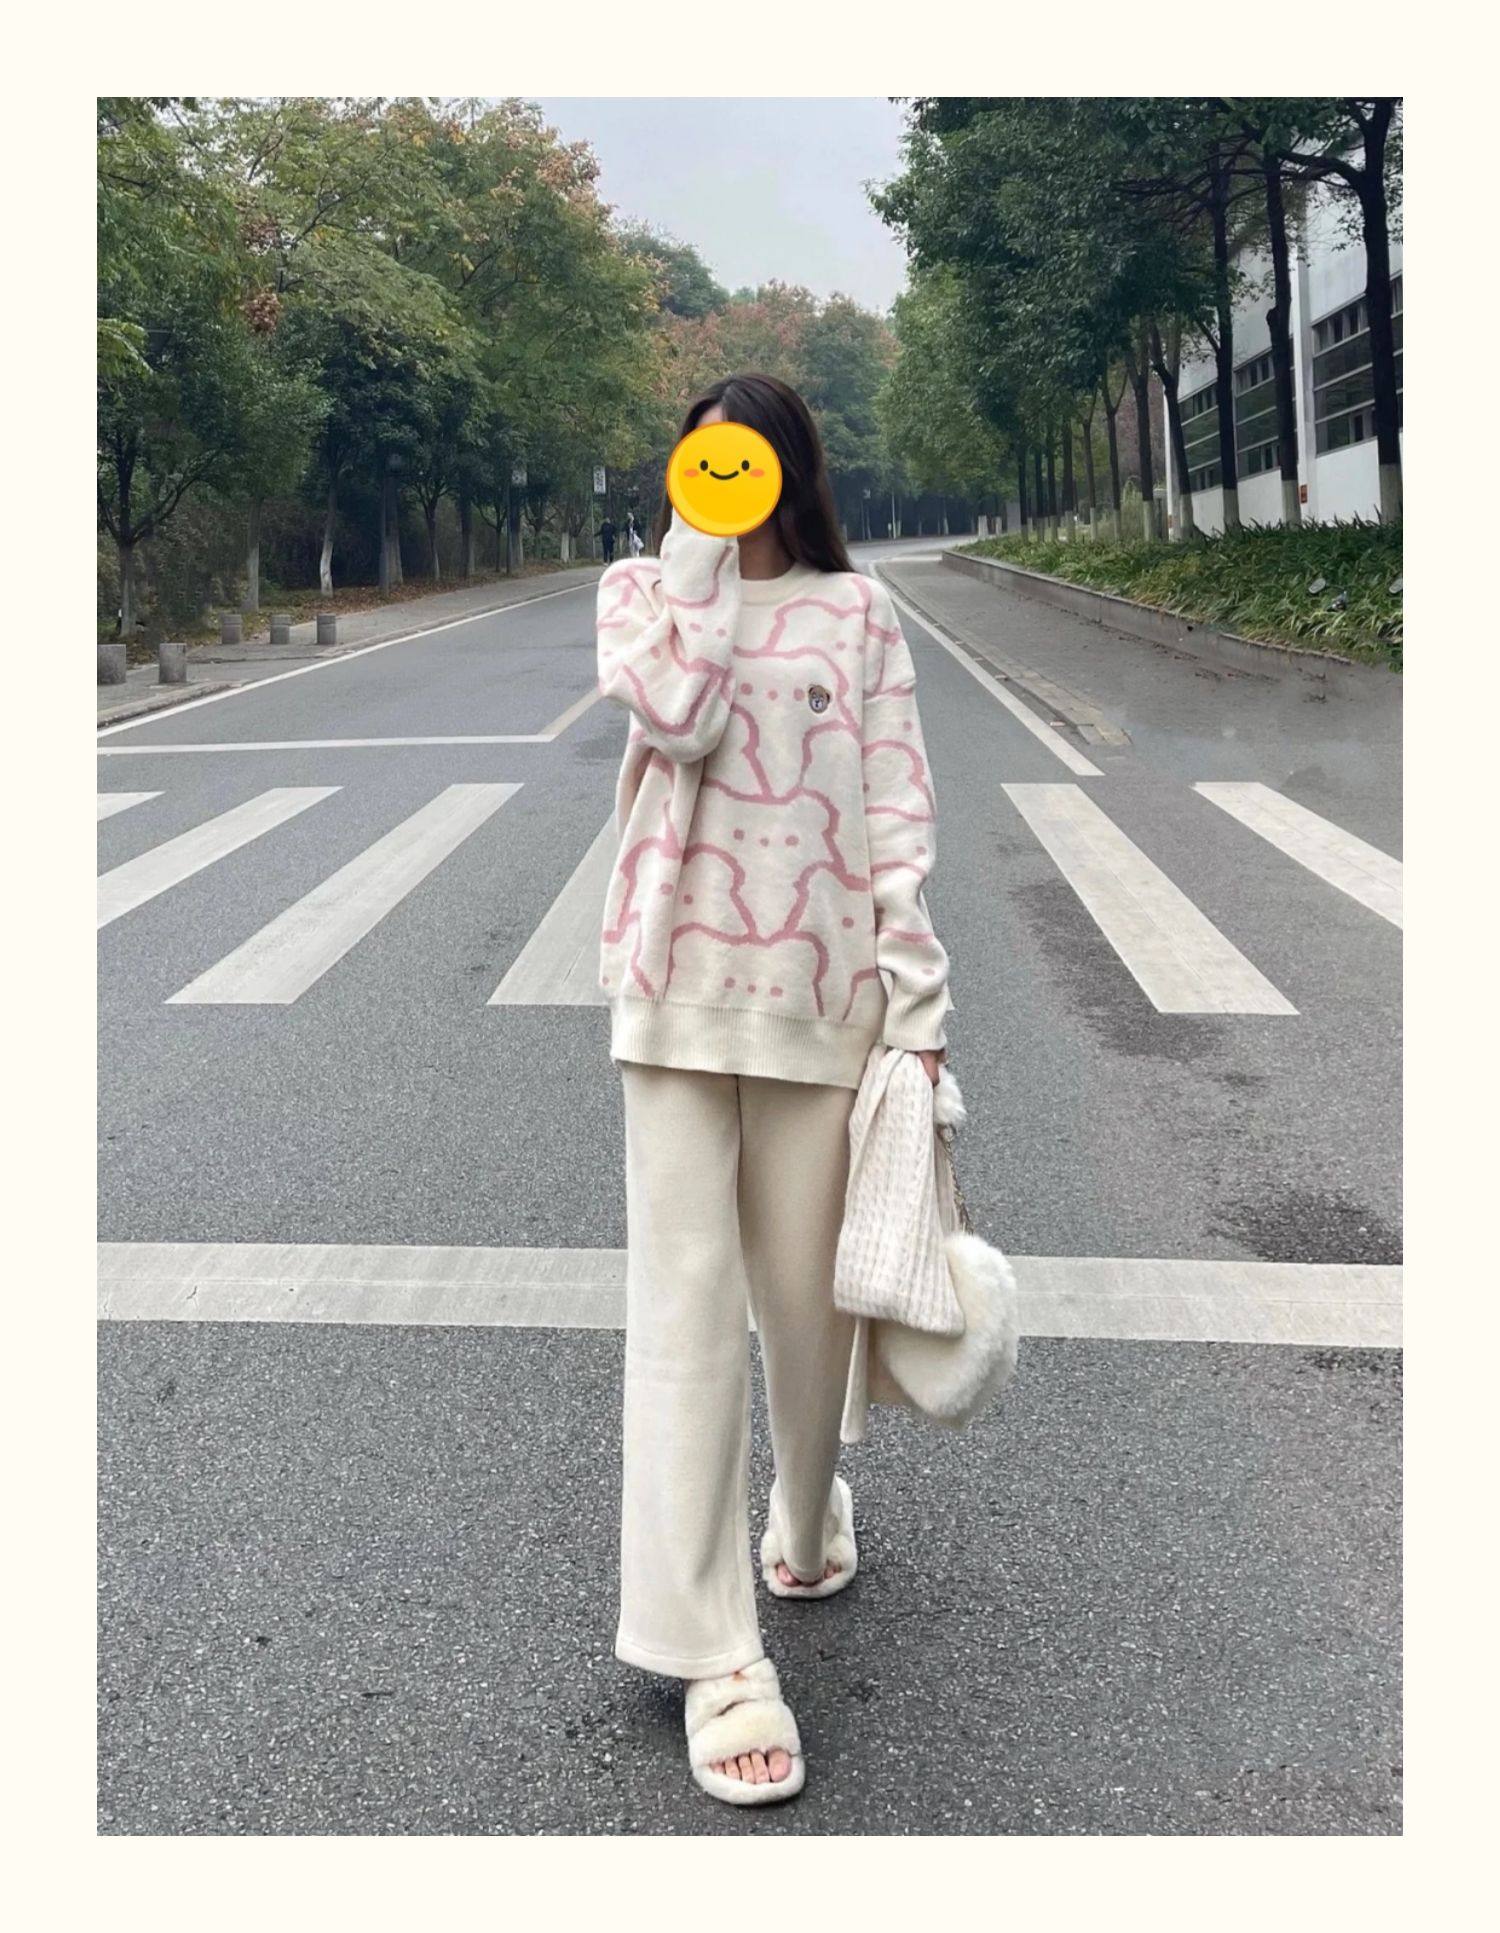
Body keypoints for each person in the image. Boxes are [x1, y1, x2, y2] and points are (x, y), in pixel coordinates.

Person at [595, 373, 953, 1807]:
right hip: (674, 992)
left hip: (821, 998)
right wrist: (693, 561)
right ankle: (716, 1654)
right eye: (698, 461)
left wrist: (917, 1005)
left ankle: (805, 1518)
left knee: (808, 1311)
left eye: (740, 461)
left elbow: (898, 811)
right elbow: (676, 718)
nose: (720, 479)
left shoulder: (860, 615)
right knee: (684, 1318)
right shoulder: (641, 596)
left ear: (790, 469)